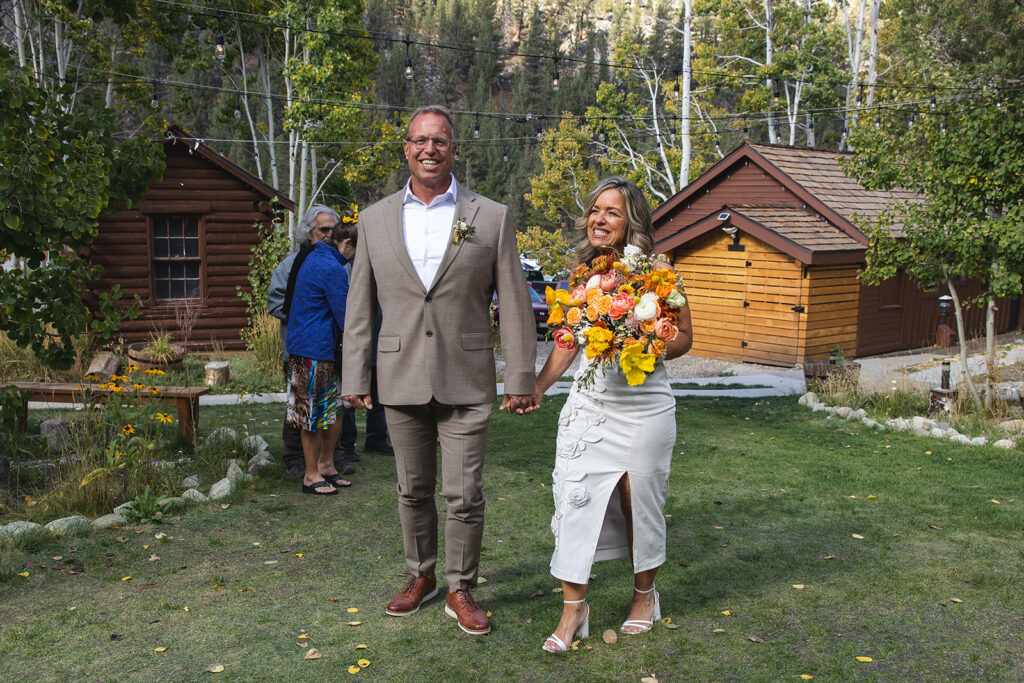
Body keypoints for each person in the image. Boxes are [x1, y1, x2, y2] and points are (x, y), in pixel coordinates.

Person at [342, 105, 537, 636]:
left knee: (465, 493)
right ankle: (419, 576)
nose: (430, 149)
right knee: (411, 489)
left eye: (441, 141)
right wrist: (356, 377)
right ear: (406, 148)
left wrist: (520, 378)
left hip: (467, 377)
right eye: (420, 141)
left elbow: (515, 302)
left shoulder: (489, 216)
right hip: (399, 375)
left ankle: (461, 587)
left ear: (454, 149)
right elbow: (360, 306)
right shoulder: (375, 218)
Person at [529, 177, 693, 652]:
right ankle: (573, 610)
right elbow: (566, 342)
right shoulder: (580, 276)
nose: (599, 219)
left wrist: (651, 337)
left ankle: (645, 597)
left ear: (632, 222)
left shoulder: (660, 274)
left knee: (636, 502)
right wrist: (537, 388)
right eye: (595, 210)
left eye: (612, 212)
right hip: (591, 405)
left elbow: (685, 339)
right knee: (575, 499)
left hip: (645, 407)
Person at [267, 206, 355, 478]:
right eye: (323, 230)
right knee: (306, 409)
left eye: (333, 229)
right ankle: (299, 463)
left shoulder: (337, 261)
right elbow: (277, 302)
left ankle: (331, 461)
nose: (330, 234)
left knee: (334, 407)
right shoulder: (294, 263)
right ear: (309, 233)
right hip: (307, 344)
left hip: (331, 346)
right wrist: (307, 316)